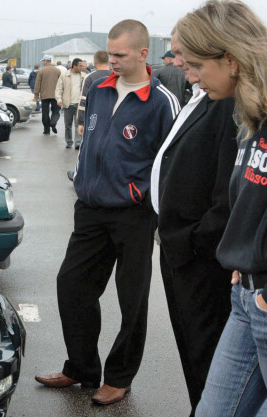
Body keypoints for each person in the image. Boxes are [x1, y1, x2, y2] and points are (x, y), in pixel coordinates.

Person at [35, 19, 178, 406]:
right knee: (72, 286)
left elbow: (171, 163)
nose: (111, 61)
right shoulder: (97, 87)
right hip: (91, 209)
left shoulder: (162, 101)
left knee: (132, 300)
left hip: (133, 214)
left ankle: (118, 377)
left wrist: (140, 193)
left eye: (119, 55)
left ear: (142, 54)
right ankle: (81, 368)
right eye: (109, 54)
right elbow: (90, 138)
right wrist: (83, 178)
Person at [173, 2, 267, 416]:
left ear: (230, 59)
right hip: (244, 295)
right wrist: (242, 251)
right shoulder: (251, 117)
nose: (189, 74)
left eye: (195, 64)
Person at [151, 26, 237, 417]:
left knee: (209, 356)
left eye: (186, 53)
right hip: (180, 248)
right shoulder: (203, 96)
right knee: (192, 349)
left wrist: (192, 242)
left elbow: (229, 196)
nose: (179, 61)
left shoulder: (227, 104)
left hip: (200, 257)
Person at [68, 50, 111, 181]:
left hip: (93, 119)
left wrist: (80, 122)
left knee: (87, 148)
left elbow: (83, 102)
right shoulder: (115, 76)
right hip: (112, 117)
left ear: (95, 61)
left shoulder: (90, 77)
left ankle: (79, 175)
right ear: (108, 61)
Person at [55, 58, 87, 149]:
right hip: (68, 104)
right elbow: (59, 88)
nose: (82, 67)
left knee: (78, 124)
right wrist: (58, 99)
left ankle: (78, 143)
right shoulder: (64, 75)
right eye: (80, 66)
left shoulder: (84, 76)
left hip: (79, 104)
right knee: (68, 125)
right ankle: (69, 142)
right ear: (74, 66)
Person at [33, 55, 62, 135]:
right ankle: (53, 122)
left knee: (45, 112)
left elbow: (37, 84)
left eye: (43, 61)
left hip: (44, 95)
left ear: (46, 61)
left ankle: (46, 129)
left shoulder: (41, 71)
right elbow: (61, 83)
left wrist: (36, 95)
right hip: (55, 95)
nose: (42, 62)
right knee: (56, 111)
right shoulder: (57, 71)